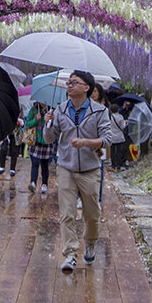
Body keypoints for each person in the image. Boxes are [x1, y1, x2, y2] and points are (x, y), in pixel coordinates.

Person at [43, 70, 113, 272]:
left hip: (90, 169)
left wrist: (86, 142)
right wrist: (48, 123)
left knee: (92, 214)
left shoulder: (99, 111)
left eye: (75, 82)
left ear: (86, 88)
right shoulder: (60, 109)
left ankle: (90, 242)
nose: (70, 85)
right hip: (66, 167)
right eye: (69, 82)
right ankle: (70, 254)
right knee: (67, 213)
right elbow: (49, 138)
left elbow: (107, 140)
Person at [24, 102, 56, 194]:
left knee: (45, 165)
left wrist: (51, 120)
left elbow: (56, 126)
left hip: (47, 142)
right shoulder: (34, 110)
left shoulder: (51, 111)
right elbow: (28, 124)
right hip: (35, 142)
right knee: (34, 163)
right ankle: (33, 182)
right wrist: (36, 119)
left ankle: (44, 184)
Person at [109, 103, 128, 170]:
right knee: (119, 151)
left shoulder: (110, 117)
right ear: (117, 110)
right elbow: (123, 127)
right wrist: (126, 123)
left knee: (113, 151)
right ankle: (118, 165)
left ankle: (113, 165)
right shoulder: (120, 117)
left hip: (112, 136)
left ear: (111, 110)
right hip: (119, 137)